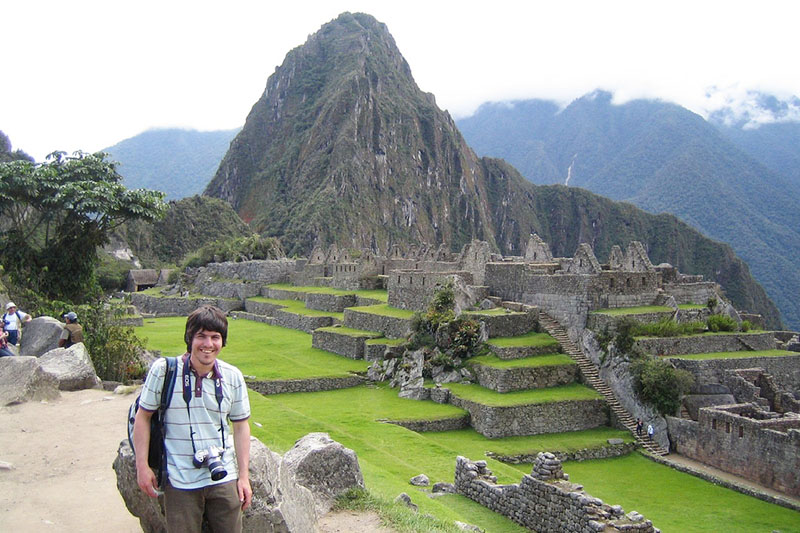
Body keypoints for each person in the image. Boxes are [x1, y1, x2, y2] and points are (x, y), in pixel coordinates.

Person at [133, 305, 252, 533]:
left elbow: (240, 426)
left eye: (215, 337)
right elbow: (143, 417)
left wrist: (244, 477)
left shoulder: (232, 376)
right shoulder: (164, 371)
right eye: (201, 336)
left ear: (222, 341)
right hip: (180, 480)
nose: (208, 344)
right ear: (190, 339)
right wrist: (142, 466)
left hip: (223, 475)